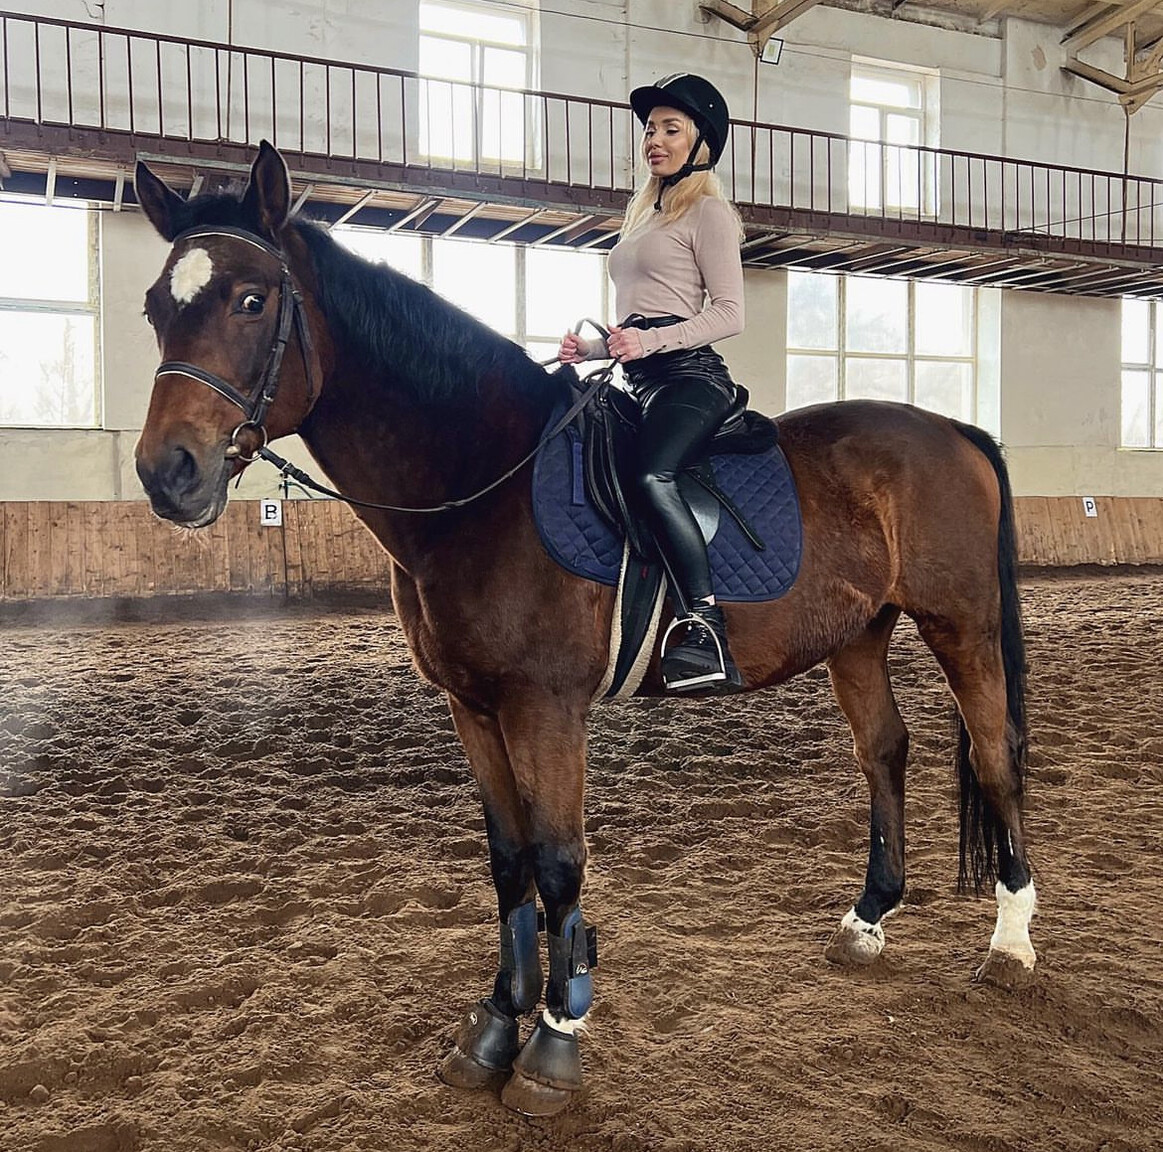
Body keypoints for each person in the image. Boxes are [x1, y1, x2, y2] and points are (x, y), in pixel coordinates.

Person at [559, 73, 745, 694]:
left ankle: (703, 619)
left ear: (701, 143)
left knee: (652, 473)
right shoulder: (641, 219)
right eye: (649, 129)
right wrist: (590, 348)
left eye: (671, 129)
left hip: (690, 377)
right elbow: (640, 314)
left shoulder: (710, 213)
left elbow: (730, 313)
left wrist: (651, 341)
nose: (655, 140)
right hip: (638, 376)